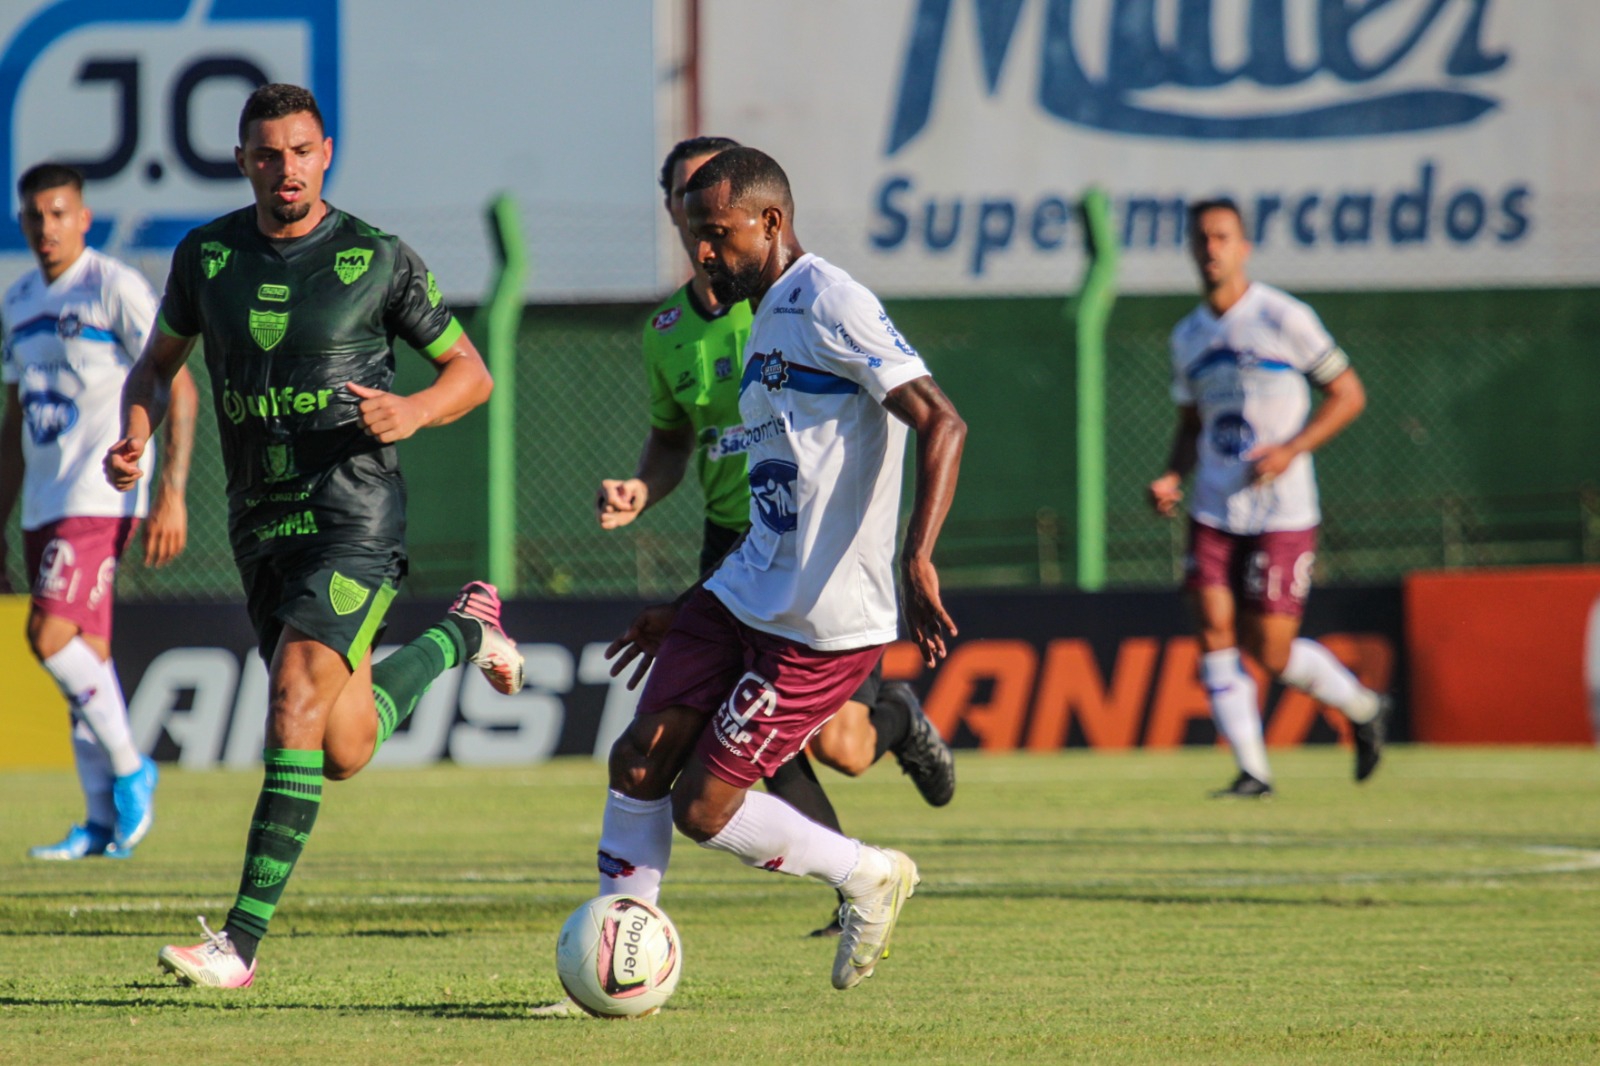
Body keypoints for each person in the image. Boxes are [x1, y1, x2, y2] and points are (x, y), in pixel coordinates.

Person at [105, 83, 525, 988]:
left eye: (301, 151)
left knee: (294, 700)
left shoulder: (376, 259)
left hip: (354, 520)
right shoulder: (207, 256)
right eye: (267, 153)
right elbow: (154, 367)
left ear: (324, 152)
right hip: (262, 527)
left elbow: (471, 373)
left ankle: (240, 946)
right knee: (341, 748)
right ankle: (464, 630)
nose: (285, 169)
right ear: (243, 160)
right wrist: (136, 437)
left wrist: (412, 410)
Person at [596, 147, 967, 991]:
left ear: (770, 222)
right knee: (638, 760)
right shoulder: (761, 312)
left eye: (717, 234)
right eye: (694, 236)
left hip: (819, 619)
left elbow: (942, 420)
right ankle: (620, 969)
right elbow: (781, 495)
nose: (703, 254)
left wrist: (917, 555)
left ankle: (867, 875)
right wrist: (690, 601)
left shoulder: (831, 300)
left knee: (701, 808)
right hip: (741, 588)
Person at [1148, 198, 1389, 798]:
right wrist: (1172, 474)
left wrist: (1291, 449)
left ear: (1244, 246)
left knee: (1272, 650)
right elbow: (1190, 422)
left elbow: (1349, 394)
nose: (1211, 248)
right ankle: (1253, 771)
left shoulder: (1284, 317)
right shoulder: (1187, 336)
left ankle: (1362, 707)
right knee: (1212, 629)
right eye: (1201, 238)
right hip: (1212, 504)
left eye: (1222, 237)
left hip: (1283, 511)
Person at [1, 162, 196, 860]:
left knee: (49, 637)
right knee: (87, 662)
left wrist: (170, 488)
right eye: (34, 216)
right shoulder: (19, 299)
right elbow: (14, 413)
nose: (46, 226)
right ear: (22, 222)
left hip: (100, 493)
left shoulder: (113, 286)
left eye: (59, 213)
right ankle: (98, 822)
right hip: (43, 504)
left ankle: (130, 769)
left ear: (83, 218)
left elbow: (176, 383)